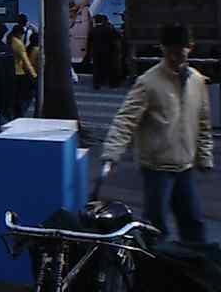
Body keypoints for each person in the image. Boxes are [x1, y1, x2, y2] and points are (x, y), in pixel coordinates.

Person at [102, 24, 213, 243]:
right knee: (155, 225)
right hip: (156, 167)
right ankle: (154, 260)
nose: (174, 57)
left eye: (179, 52)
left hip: (185, 166)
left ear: (190, 48)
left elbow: (203, 121)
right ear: (162, 49)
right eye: (169, 51)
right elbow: (125, 119)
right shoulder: (148, 82)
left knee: (193, 222)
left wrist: (205, 155)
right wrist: (111, 153)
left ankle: (197, 260)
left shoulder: (197, 81)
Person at [9, 25, 37, 118]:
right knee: (23, 98)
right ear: (19, 33)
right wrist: (33, 74)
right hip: (19, 72)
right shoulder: (19, 44)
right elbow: (25, 60)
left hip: (12, 71)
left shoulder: (10, 40)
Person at [91, 15, 117, 90]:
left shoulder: (93, 30)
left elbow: (90, 42)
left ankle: (97, 84)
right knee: (109, 67)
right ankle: (111, 83)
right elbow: (116, 37)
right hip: (108, 51)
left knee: (97, 68)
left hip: (96, 51)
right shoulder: (109, 29)